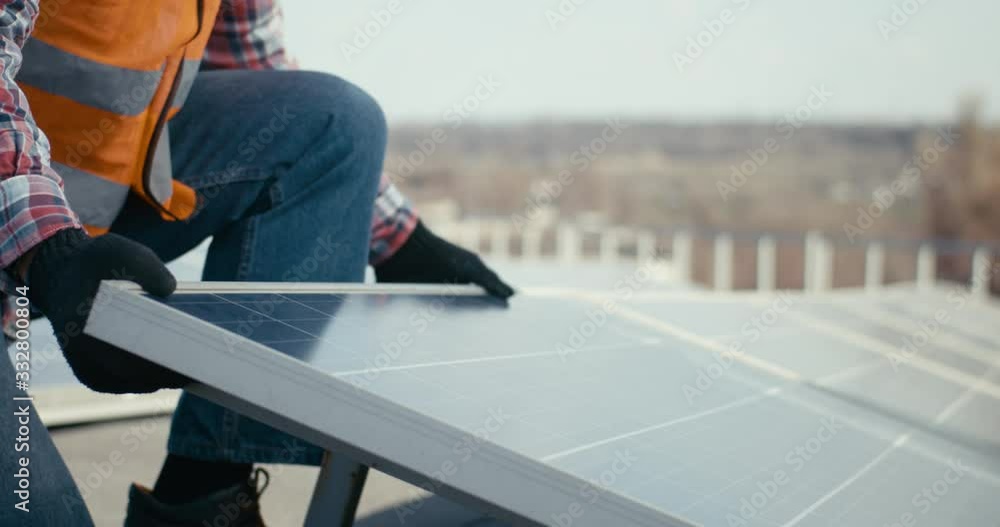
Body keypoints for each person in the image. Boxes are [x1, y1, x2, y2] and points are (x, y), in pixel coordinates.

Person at [0, 0, 514, 525]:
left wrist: (399, 239)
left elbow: (254, 65)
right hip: (32, 232)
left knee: (336, 123)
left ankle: (201, 495)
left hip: (74, 218)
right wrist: (50, 252)